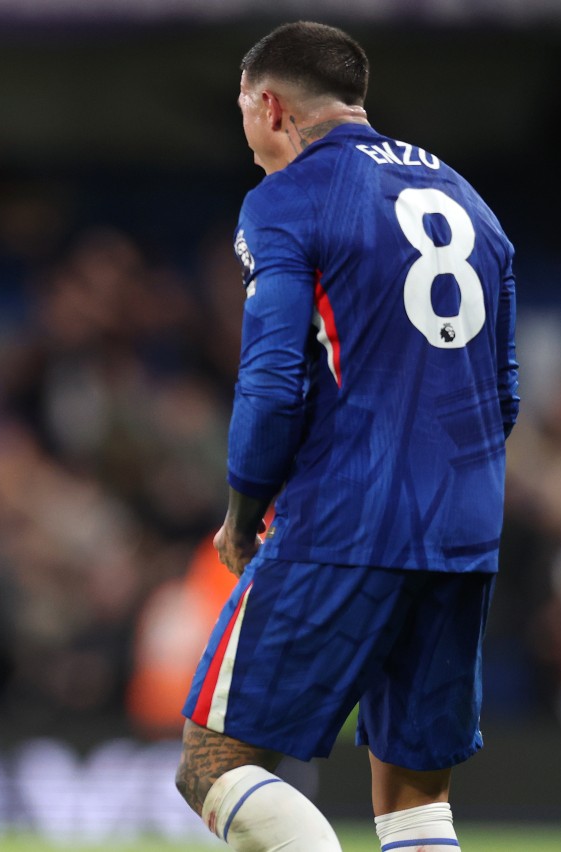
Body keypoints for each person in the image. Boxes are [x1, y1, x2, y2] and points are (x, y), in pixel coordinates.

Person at [175, 21, 519, 852]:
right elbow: (504, 392)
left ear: (270, 106)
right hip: (465, 526)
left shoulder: (289, 197)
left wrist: (243, 511)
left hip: (347, 515)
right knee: (415, 798)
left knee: (211, 765)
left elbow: (270, 380)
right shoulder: (471, 202)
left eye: (243, 112)